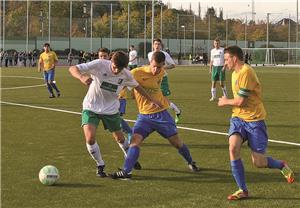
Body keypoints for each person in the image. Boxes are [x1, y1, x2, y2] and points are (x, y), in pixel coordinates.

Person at [218, 46, 295, 200]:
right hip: (238, 118)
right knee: (233, 148)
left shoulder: (246, 72)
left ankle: (281, 165)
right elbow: (239, 104)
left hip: (255, 120)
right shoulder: (234, 73)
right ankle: (243, 190)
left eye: (226, 59)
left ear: (234, 58)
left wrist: (225, 101)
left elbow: (240, 100)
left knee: (258, 162)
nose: (225, 63)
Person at [110, 51, 200, 180]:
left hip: (161, 115)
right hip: (144, 116)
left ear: (163, 65)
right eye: (154, 66)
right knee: (135, 142)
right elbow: (122, 82)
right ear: (150, 62)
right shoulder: (136, 72)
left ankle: (191, 162)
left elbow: (157, 89)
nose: (156, 70)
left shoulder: (162, 73)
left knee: (177, 143)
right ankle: (126, 171)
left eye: (159, 67)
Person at [69, 51, 159, 177]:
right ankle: (100, 164)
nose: (116, 71)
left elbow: (138, 87)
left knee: (120, 138)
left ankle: (130, 159)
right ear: (111, 61)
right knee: (90, 139)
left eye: (120, 68)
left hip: (111, 110)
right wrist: (81, 77)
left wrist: (151, 99)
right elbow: (73, 68)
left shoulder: (126, 75)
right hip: (91, 107)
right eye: (114, 67)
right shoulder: (100, 64)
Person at [98, 47, 133, 141]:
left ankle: (129, 132)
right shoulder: (99, 66)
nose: (102, 58)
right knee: (113, 117)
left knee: (116, 117)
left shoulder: (118, 65)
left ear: (109, 56)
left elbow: (128, 82)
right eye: (100, 56)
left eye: (104, 56)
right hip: (104, 100)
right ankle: (125, 133)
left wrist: (119, 90)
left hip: (119, 97)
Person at [148, 38, 181, 124]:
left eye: (158, 44)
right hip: (153, 78)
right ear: (153, 45)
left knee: (163, 99)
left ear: (161, 45)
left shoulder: (165, 54)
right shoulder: (150, 54)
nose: (157, 45)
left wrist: (161, 67)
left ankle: (177, 111)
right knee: (153, 98)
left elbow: (173, 65)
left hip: (163, 78)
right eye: (155, 44)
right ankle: (157, 116)